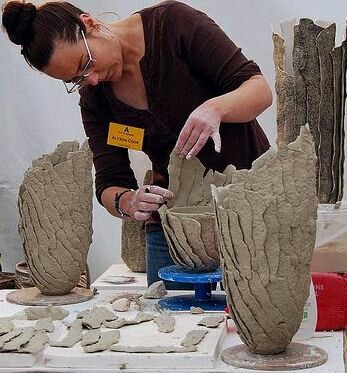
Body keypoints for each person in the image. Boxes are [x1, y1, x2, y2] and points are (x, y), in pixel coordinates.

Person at [2, 0, 272, 288]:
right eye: (76, 79)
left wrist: (217, 108)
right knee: (171, 322)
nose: (91, 79)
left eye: (86, 64)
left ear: (89, 24)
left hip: (247, 204)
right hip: (173, 223)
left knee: (252, 317)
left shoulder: (171, 25)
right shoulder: (96, 101)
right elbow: (109, 182)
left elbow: (259, 89)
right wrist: (127, 201)